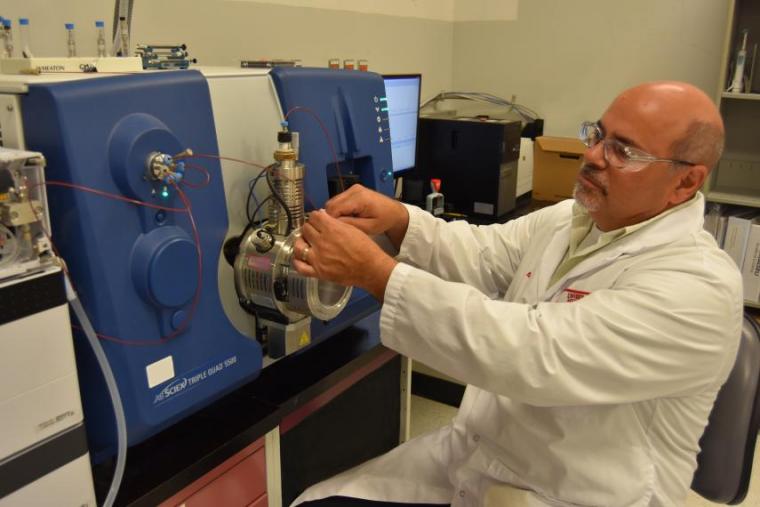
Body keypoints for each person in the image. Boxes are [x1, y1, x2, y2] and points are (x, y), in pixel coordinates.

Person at [288, 81, 744, 506]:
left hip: (572, 492)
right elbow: (484, 253)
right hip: (481, 456)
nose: (594, 156)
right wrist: (400, 220)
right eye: (598, 135)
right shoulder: (575, 218)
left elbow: (532, 352)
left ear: (686, 181)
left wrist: (378, 275)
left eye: (623, 151)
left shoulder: (698, 288)